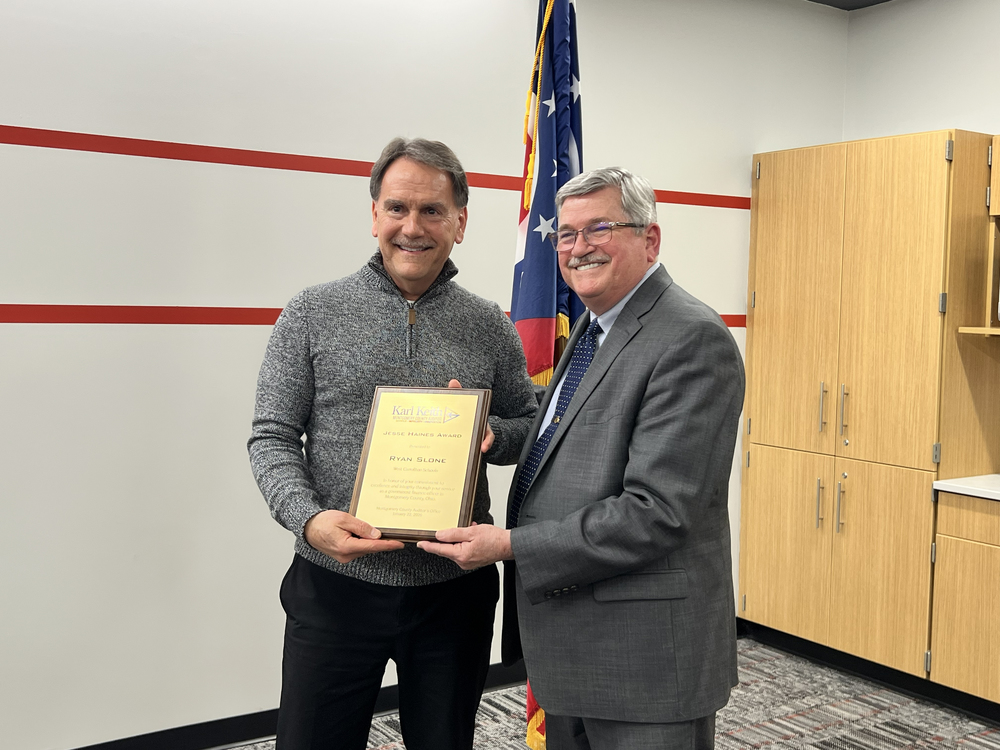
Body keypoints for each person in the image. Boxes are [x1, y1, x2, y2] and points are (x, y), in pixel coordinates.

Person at [420, 167, 745, 750]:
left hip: (644, 662)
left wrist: (511, 545)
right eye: (565, 234)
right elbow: (574, 430)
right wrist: (486, 432)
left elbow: (657, 512)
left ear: (650, 239)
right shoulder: (599, 329)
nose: (577, 247)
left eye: (599, 228)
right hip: (579, 646)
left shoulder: (690, 338)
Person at [248, 137, 537, 750]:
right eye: (398, 207)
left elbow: (529, 425)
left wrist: (490, 434)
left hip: (452, 589)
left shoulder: (489, 323)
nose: (414, 226)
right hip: (335, 583)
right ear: (374, 214)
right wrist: (309, 520)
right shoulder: (311, 312)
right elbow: (271, 436)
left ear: (460, 222)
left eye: (433, 210)